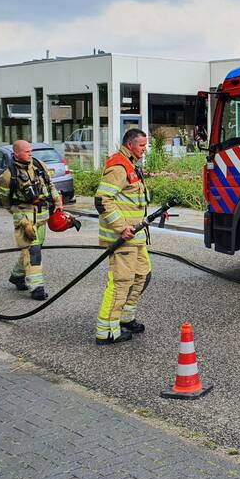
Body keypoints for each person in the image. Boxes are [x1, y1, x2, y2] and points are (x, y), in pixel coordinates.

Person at [94, 128, 151, 345]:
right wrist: (121, 227)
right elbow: (102, 200)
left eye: (145, 146)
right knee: (121, 282)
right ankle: (107, 331)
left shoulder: (131, 164)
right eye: (141, 146)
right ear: (130, 145)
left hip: (135, 237)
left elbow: (130, 199)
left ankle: (125, 319)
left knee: (142, 275)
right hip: (124, 238)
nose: (144, 150)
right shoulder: (119, 166)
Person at [0, 140, 61, 301]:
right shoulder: (7, 176)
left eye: (30, 150)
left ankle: (17, 276)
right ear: (16, 153)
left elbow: (50, 184)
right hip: (25, 218)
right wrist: (19, 217)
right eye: (26, 151)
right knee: (34, 252)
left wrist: (57, 201)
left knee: (33, 248)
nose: (30, 153)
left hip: (42, 216)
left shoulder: (39, 166)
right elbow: (6, 202)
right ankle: (36, 287)